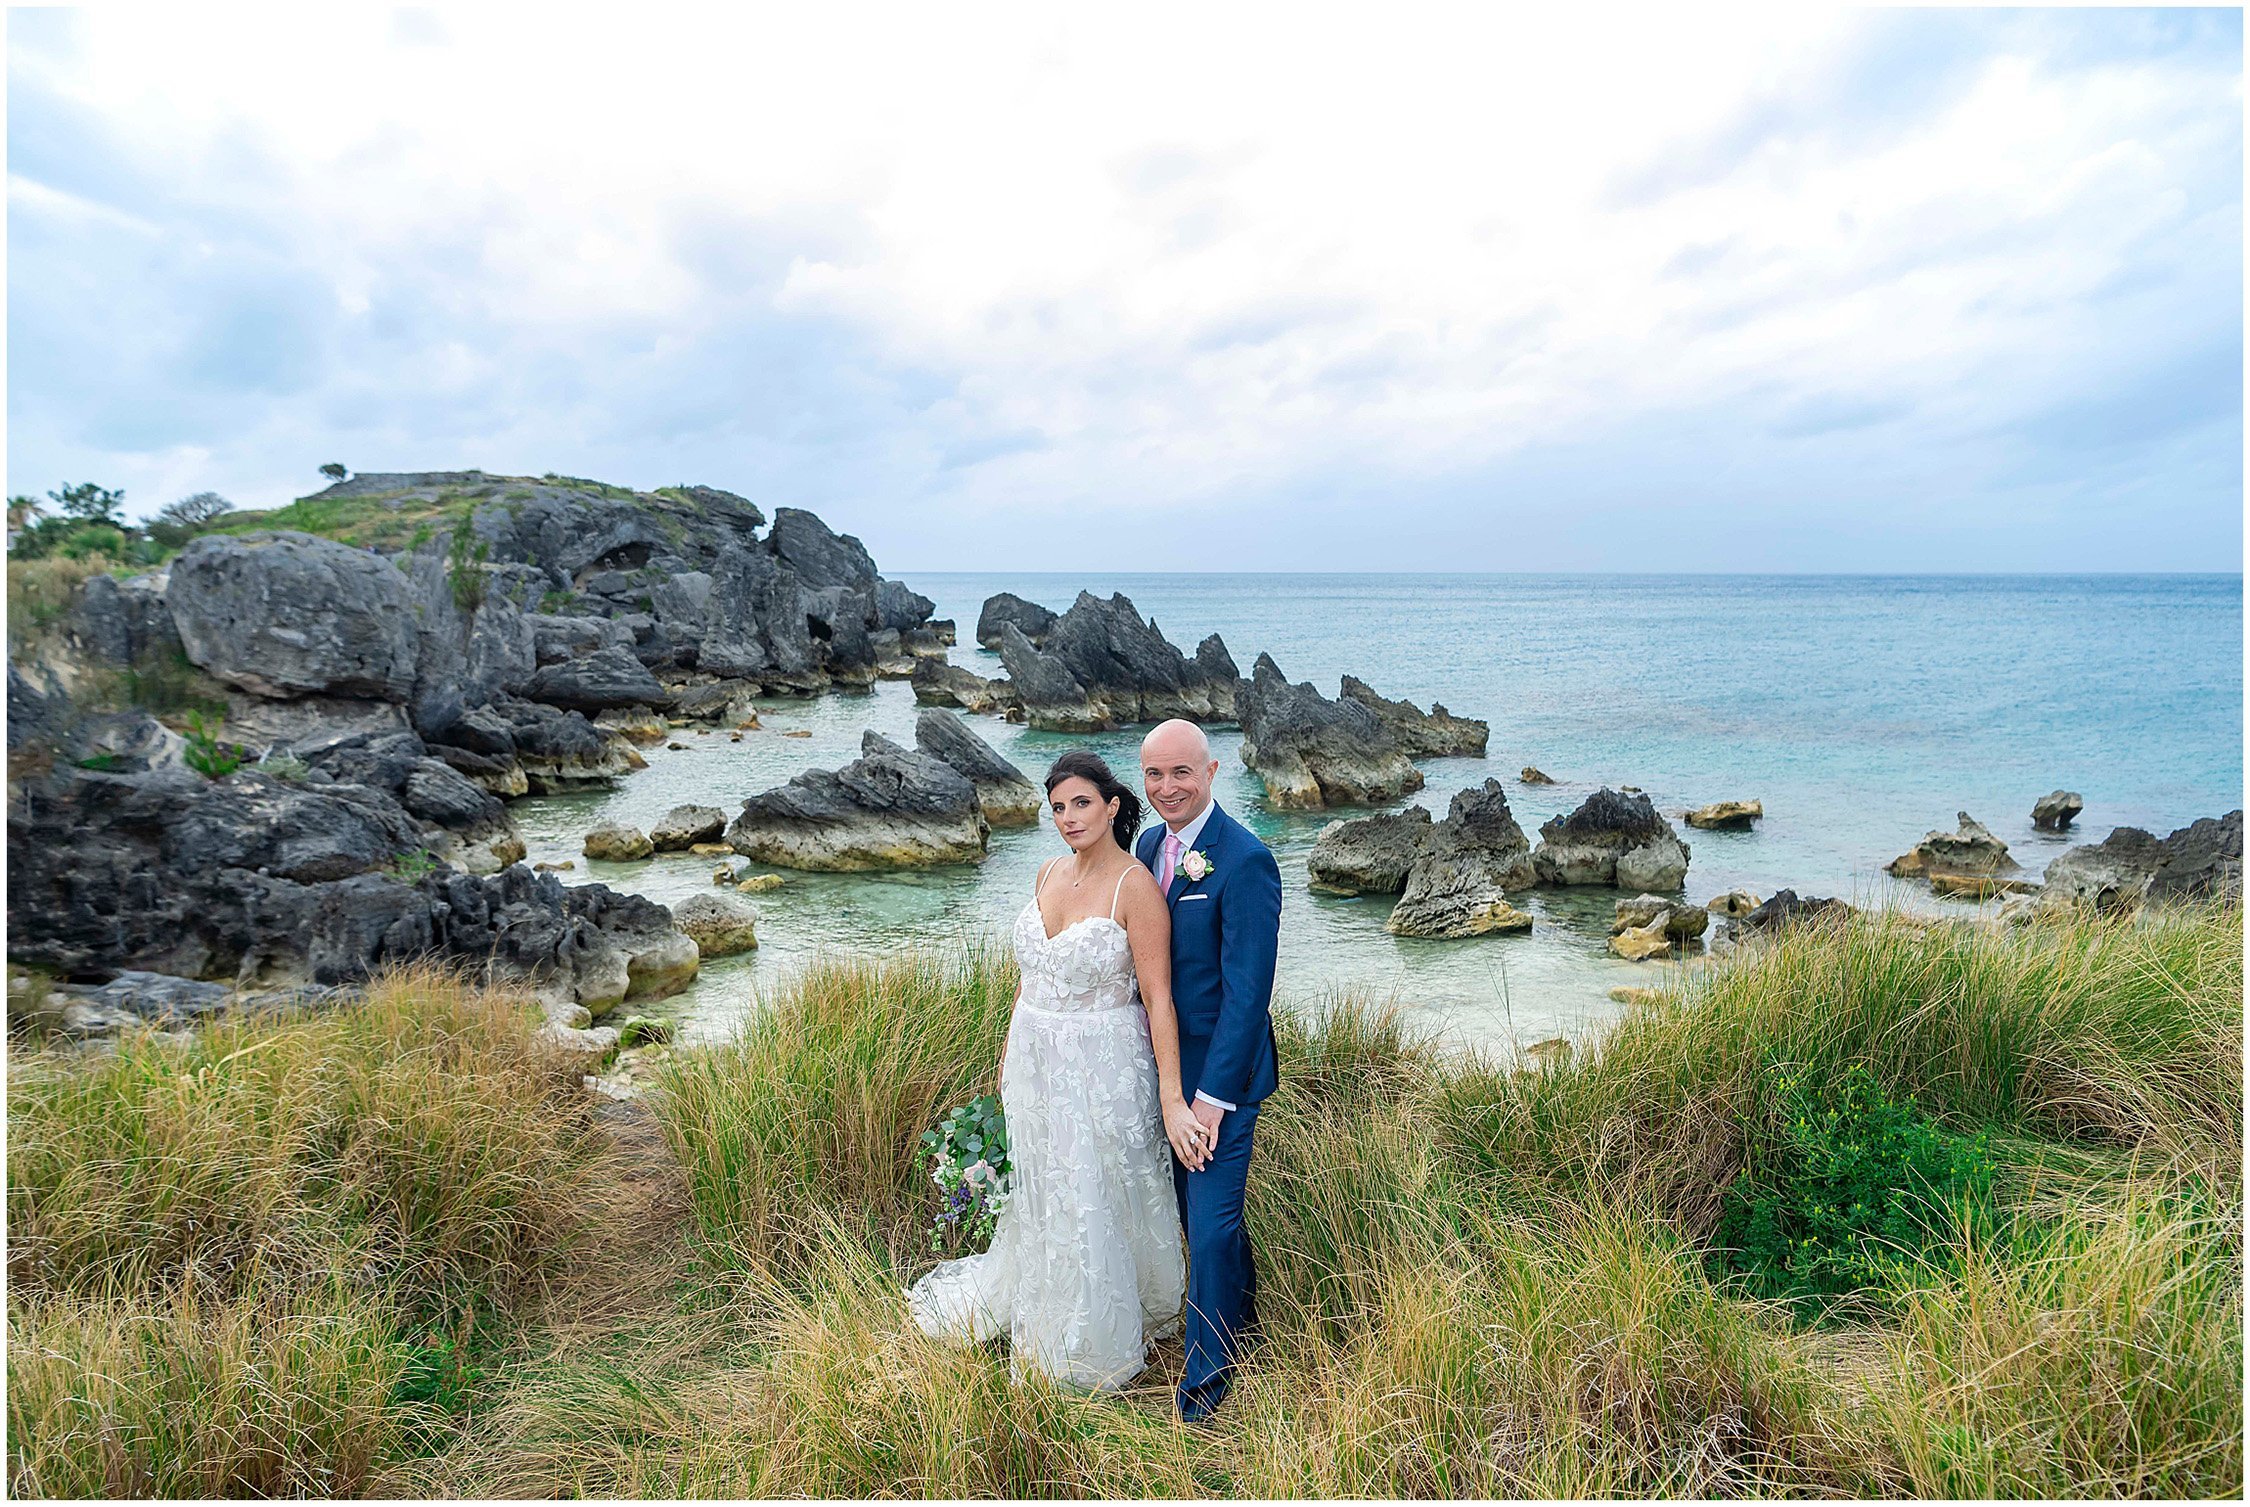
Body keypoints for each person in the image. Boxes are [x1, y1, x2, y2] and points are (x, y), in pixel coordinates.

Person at [906, 750, 1207, 1390]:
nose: (1069, 817)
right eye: (1059, 807)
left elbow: (1158, 999)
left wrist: (1174, 1097)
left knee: (1095, 1188)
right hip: (1035, 1058)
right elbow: (1030, 977)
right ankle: (1040, 1296)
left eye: (1082, 803)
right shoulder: (1045, 871)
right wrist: (1008, 1054)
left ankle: (1094, 1332)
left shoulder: (1136, 888)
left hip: (1103, 1064)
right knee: (1044, 1182)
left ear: (1113, 806)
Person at [1135, 718, 1282, 1424]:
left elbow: (1249, 994)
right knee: (1200, 1222)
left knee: (1212, 1224)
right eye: (1154, 775)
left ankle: (1205, 1383)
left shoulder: (1245, 859)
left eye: (1181, 773)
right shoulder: (1147, 845)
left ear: (1213, 770)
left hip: (1224, 1078)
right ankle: (1245, 1319)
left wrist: (1212, 1100)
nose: (1167, 788)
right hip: (1163, 1073)